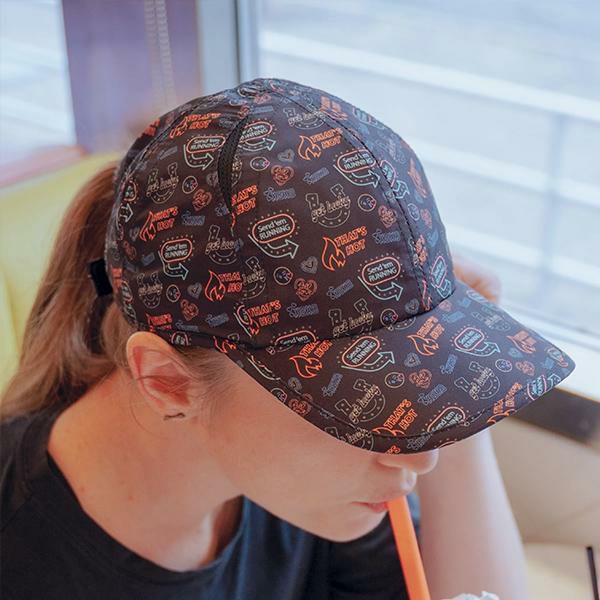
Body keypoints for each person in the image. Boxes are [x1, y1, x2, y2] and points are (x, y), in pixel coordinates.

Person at [0, 77, 576, 599]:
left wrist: (451, 392)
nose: (422, 457)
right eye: (354, 398)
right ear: (167, 381)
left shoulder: (297, 481)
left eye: (402, 387)